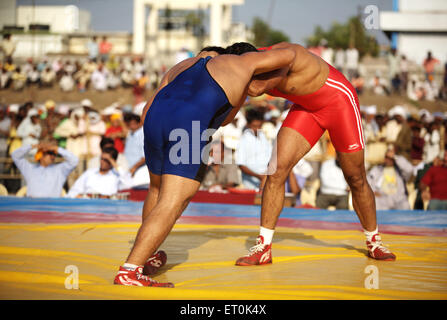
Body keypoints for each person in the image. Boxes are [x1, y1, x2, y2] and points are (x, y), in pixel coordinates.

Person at [113, 44, 296, 287]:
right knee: (173, 200)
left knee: (156, 190)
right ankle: (130, 270)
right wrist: (268, 72)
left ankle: (150, 254)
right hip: (188, 124)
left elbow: (147, 111)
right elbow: (289, 54)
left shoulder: (180, 67)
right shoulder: (241, 64)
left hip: (155, 121)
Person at [230, 41, 396, 267]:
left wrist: (231, 79)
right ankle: (264, 247)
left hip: (340, 103)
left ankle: (374, 241)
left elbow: (257, 89)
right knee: (276, 170)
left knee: (355, 177)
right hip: (307, 108)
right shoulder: (248, 70)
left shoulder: (282, 55)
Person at [11, 142, 78, 197]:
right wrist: (32, 146)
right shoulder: (30, 168)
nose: (53, 156)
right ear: (41, 156)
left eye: (54, 154)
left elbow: (74, 160)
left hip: (53, 207)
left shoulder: (60, 170)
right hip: (33, 206)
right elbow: (15, 155)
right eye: (50, 153)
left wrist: (56, 148)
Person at [67, 146, 132, 198]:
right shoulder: (90, 173)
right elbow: (74, 190)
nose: (102, 162)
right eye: (101, 159)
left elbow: (128, 183)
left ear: (113, 161)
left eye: (106, 160)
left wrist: (112, 162)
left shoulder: (116, 175)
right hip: (88, 205)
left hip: (107, 207)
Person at [235, 108, 272, 190]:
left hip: (266, 180)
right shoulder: (243, 140)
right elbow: (241, 165)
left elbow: (270, 157)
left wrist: (267, 175)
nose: (257, 129)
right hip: (250, 184)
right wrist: (259, 176)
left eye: (259, 126)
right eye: (254, 126)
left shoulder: (263, 137)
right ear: (248, 125)